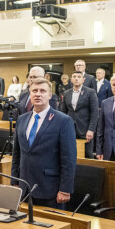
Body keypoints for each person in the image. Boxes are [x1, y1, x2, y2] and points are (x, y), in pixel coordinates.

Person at [12, 78, 76, 209]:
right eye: (34, 91)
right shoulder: (21, 119)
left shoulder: (63, 121)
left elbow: (69, 159)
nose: (38, 94)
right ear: (30, 94)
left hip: (50, 189)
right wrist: (15, 181)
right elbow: (16, 154)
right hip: (24, 188)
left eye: (42, 91)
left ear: (49, 95)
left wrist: (65, 189)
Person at [60, 71, 99, 159]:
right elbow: (63, 112)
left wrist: (91, 130)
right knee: (70, 154)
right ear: (71, 80)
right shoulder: (66, 93)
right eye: (74, 76)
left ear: (83, 80)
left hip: (85, 130)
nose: (76, 78)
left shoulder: (90, 92)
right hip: (70, 129)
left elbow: (95, 112)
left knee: (88, 155)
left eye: (79, 76)